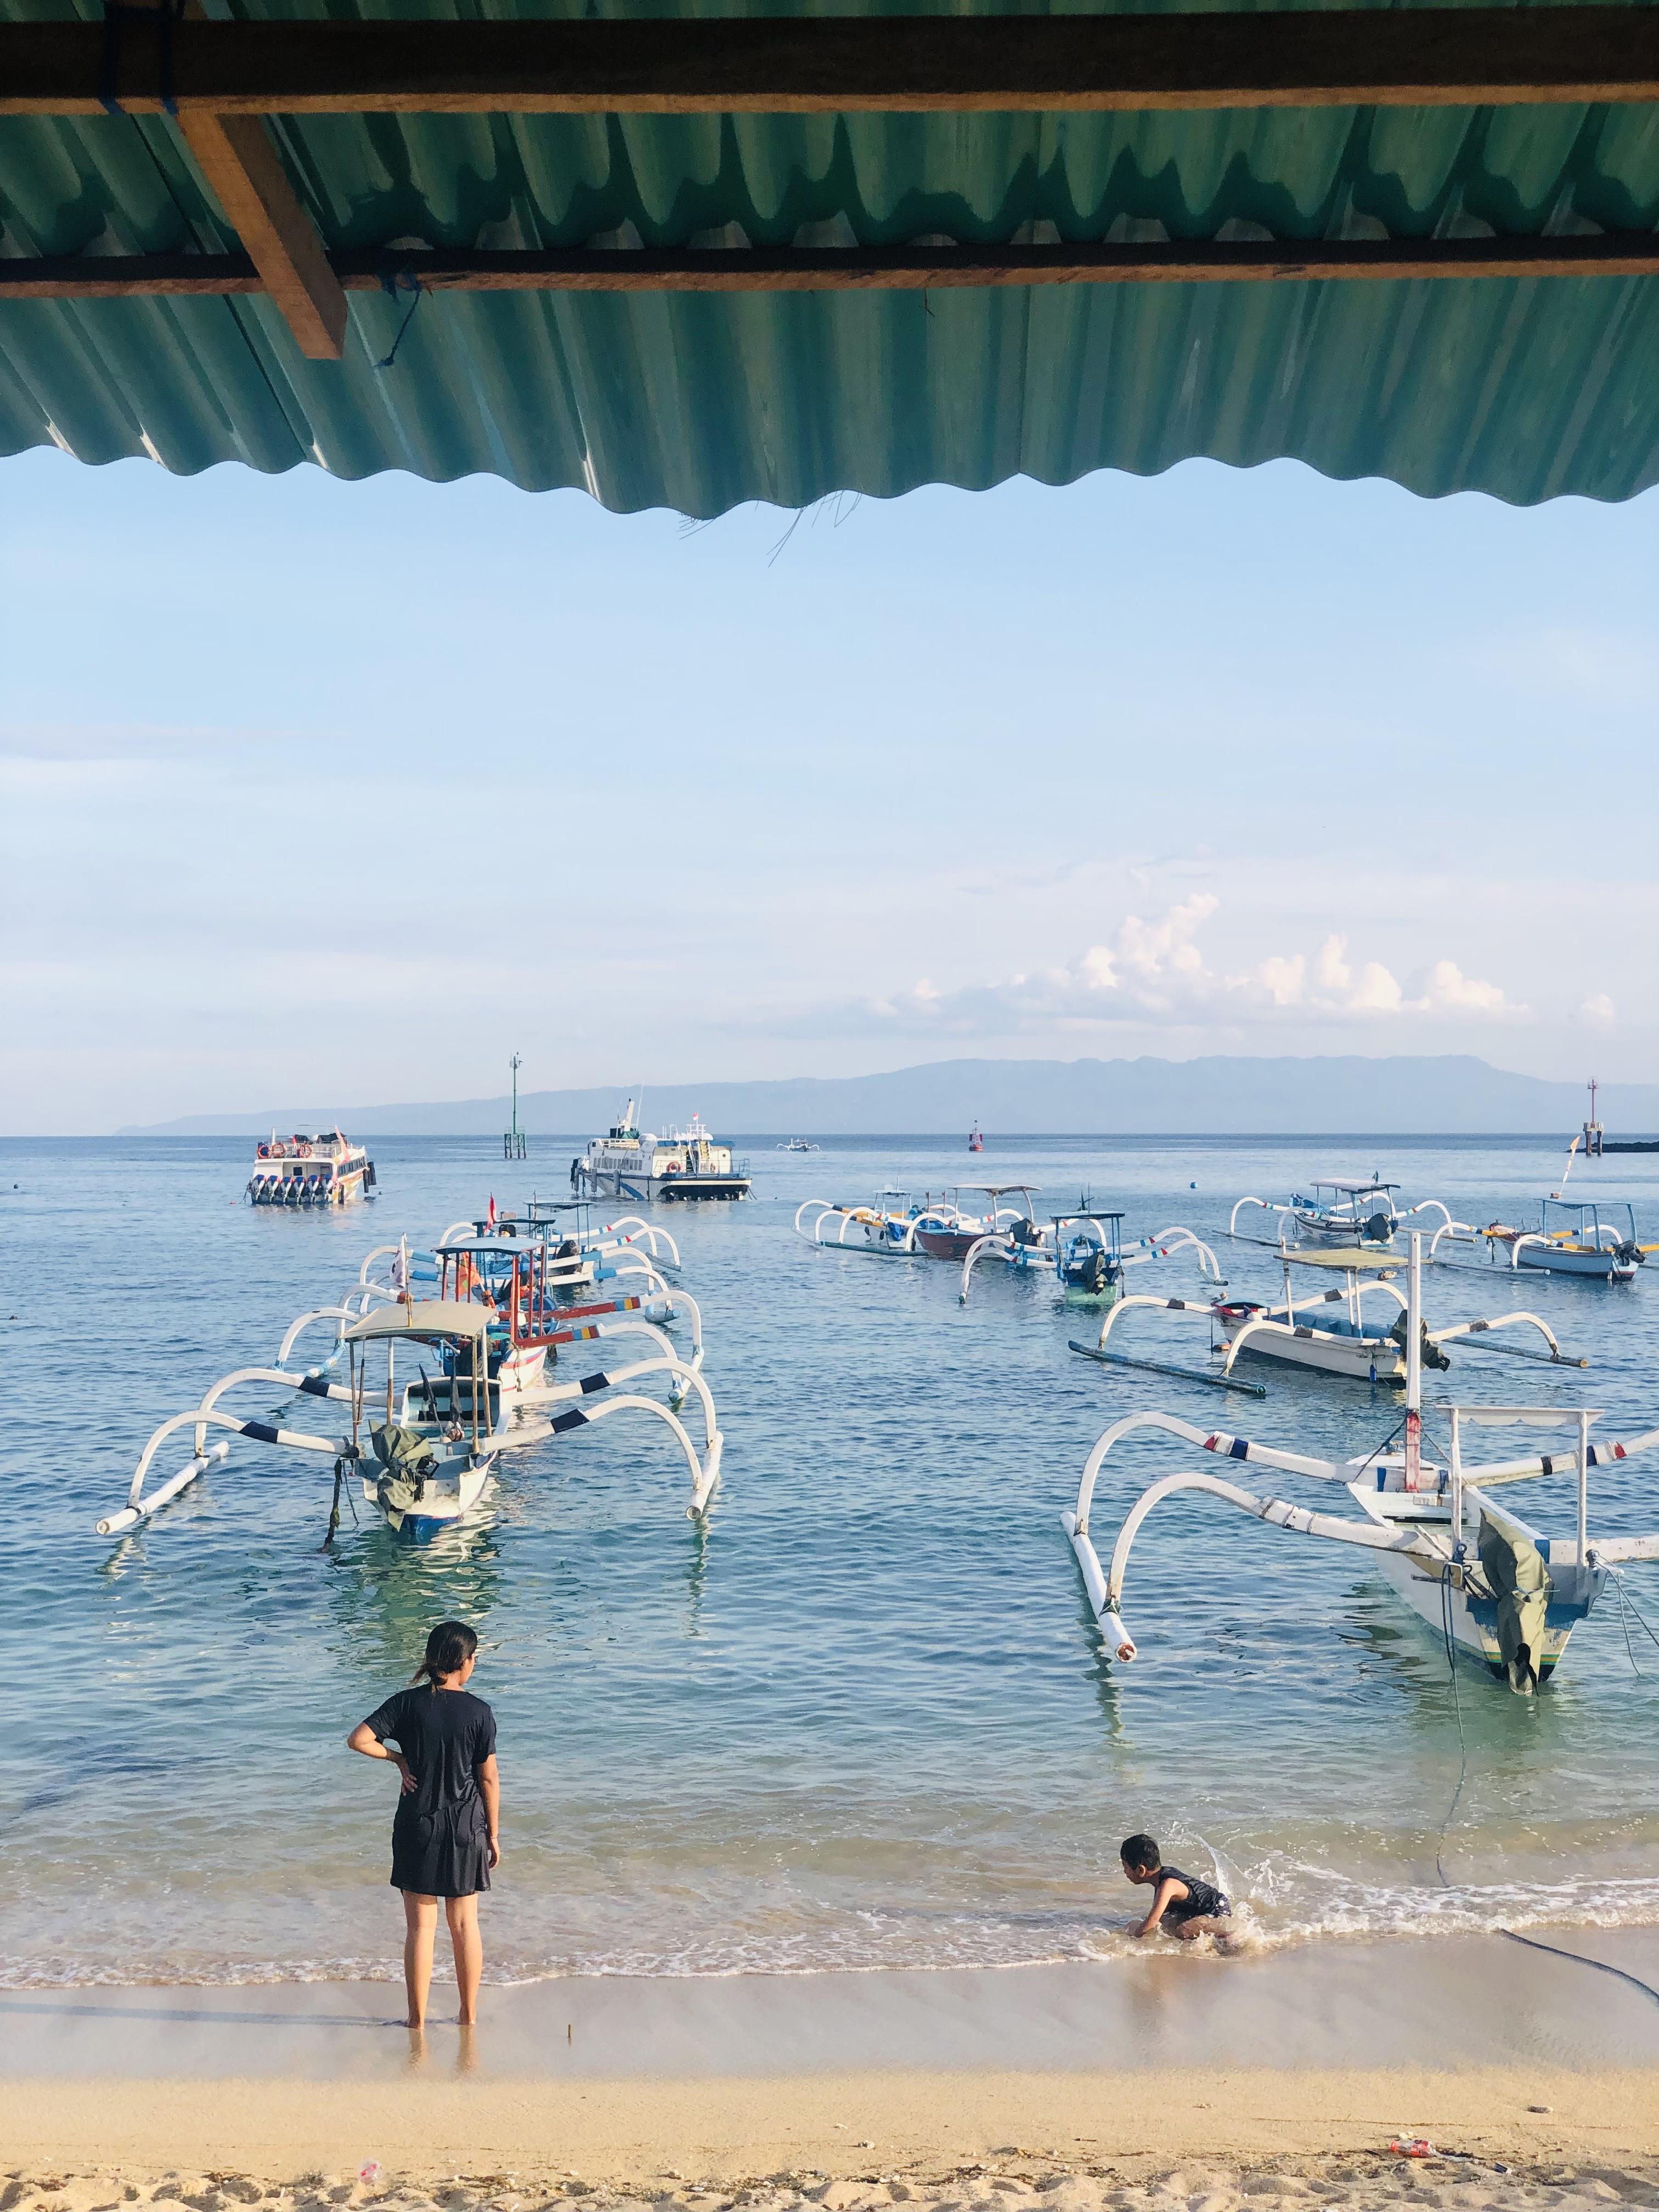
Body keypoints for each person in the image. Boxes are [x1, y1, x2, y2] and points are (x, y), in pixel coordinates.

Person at [348, 1620, 500, 2030]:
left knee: (420, 1928)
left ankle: (415, 2021)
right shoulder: (480, 1712)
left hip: (418, 1823)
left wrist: (399, 1760)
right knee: (466, 1925)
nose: (474, 1663)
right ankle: (468, 2015)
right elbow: (488, 1779)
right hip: (467, 1825)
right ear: (463, 1661)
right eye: (473, 1657)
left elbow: (359, 1739)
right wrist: (494, 1833)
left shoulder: (406, 1703)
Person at [1120, 1833, 1235, 1946]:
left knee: (1183, 1930)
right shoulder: (1160, 1879)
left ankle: (1230, 1939)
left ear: (1141, 1870)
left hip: (1217, 1909)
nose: (1125, 1872)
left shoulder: (1168, 1885)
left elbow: (1152, 1922)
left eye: (1126, 1867)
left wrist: (1132, 1940)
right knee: (1167, 1923)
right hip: (1197, 1910)